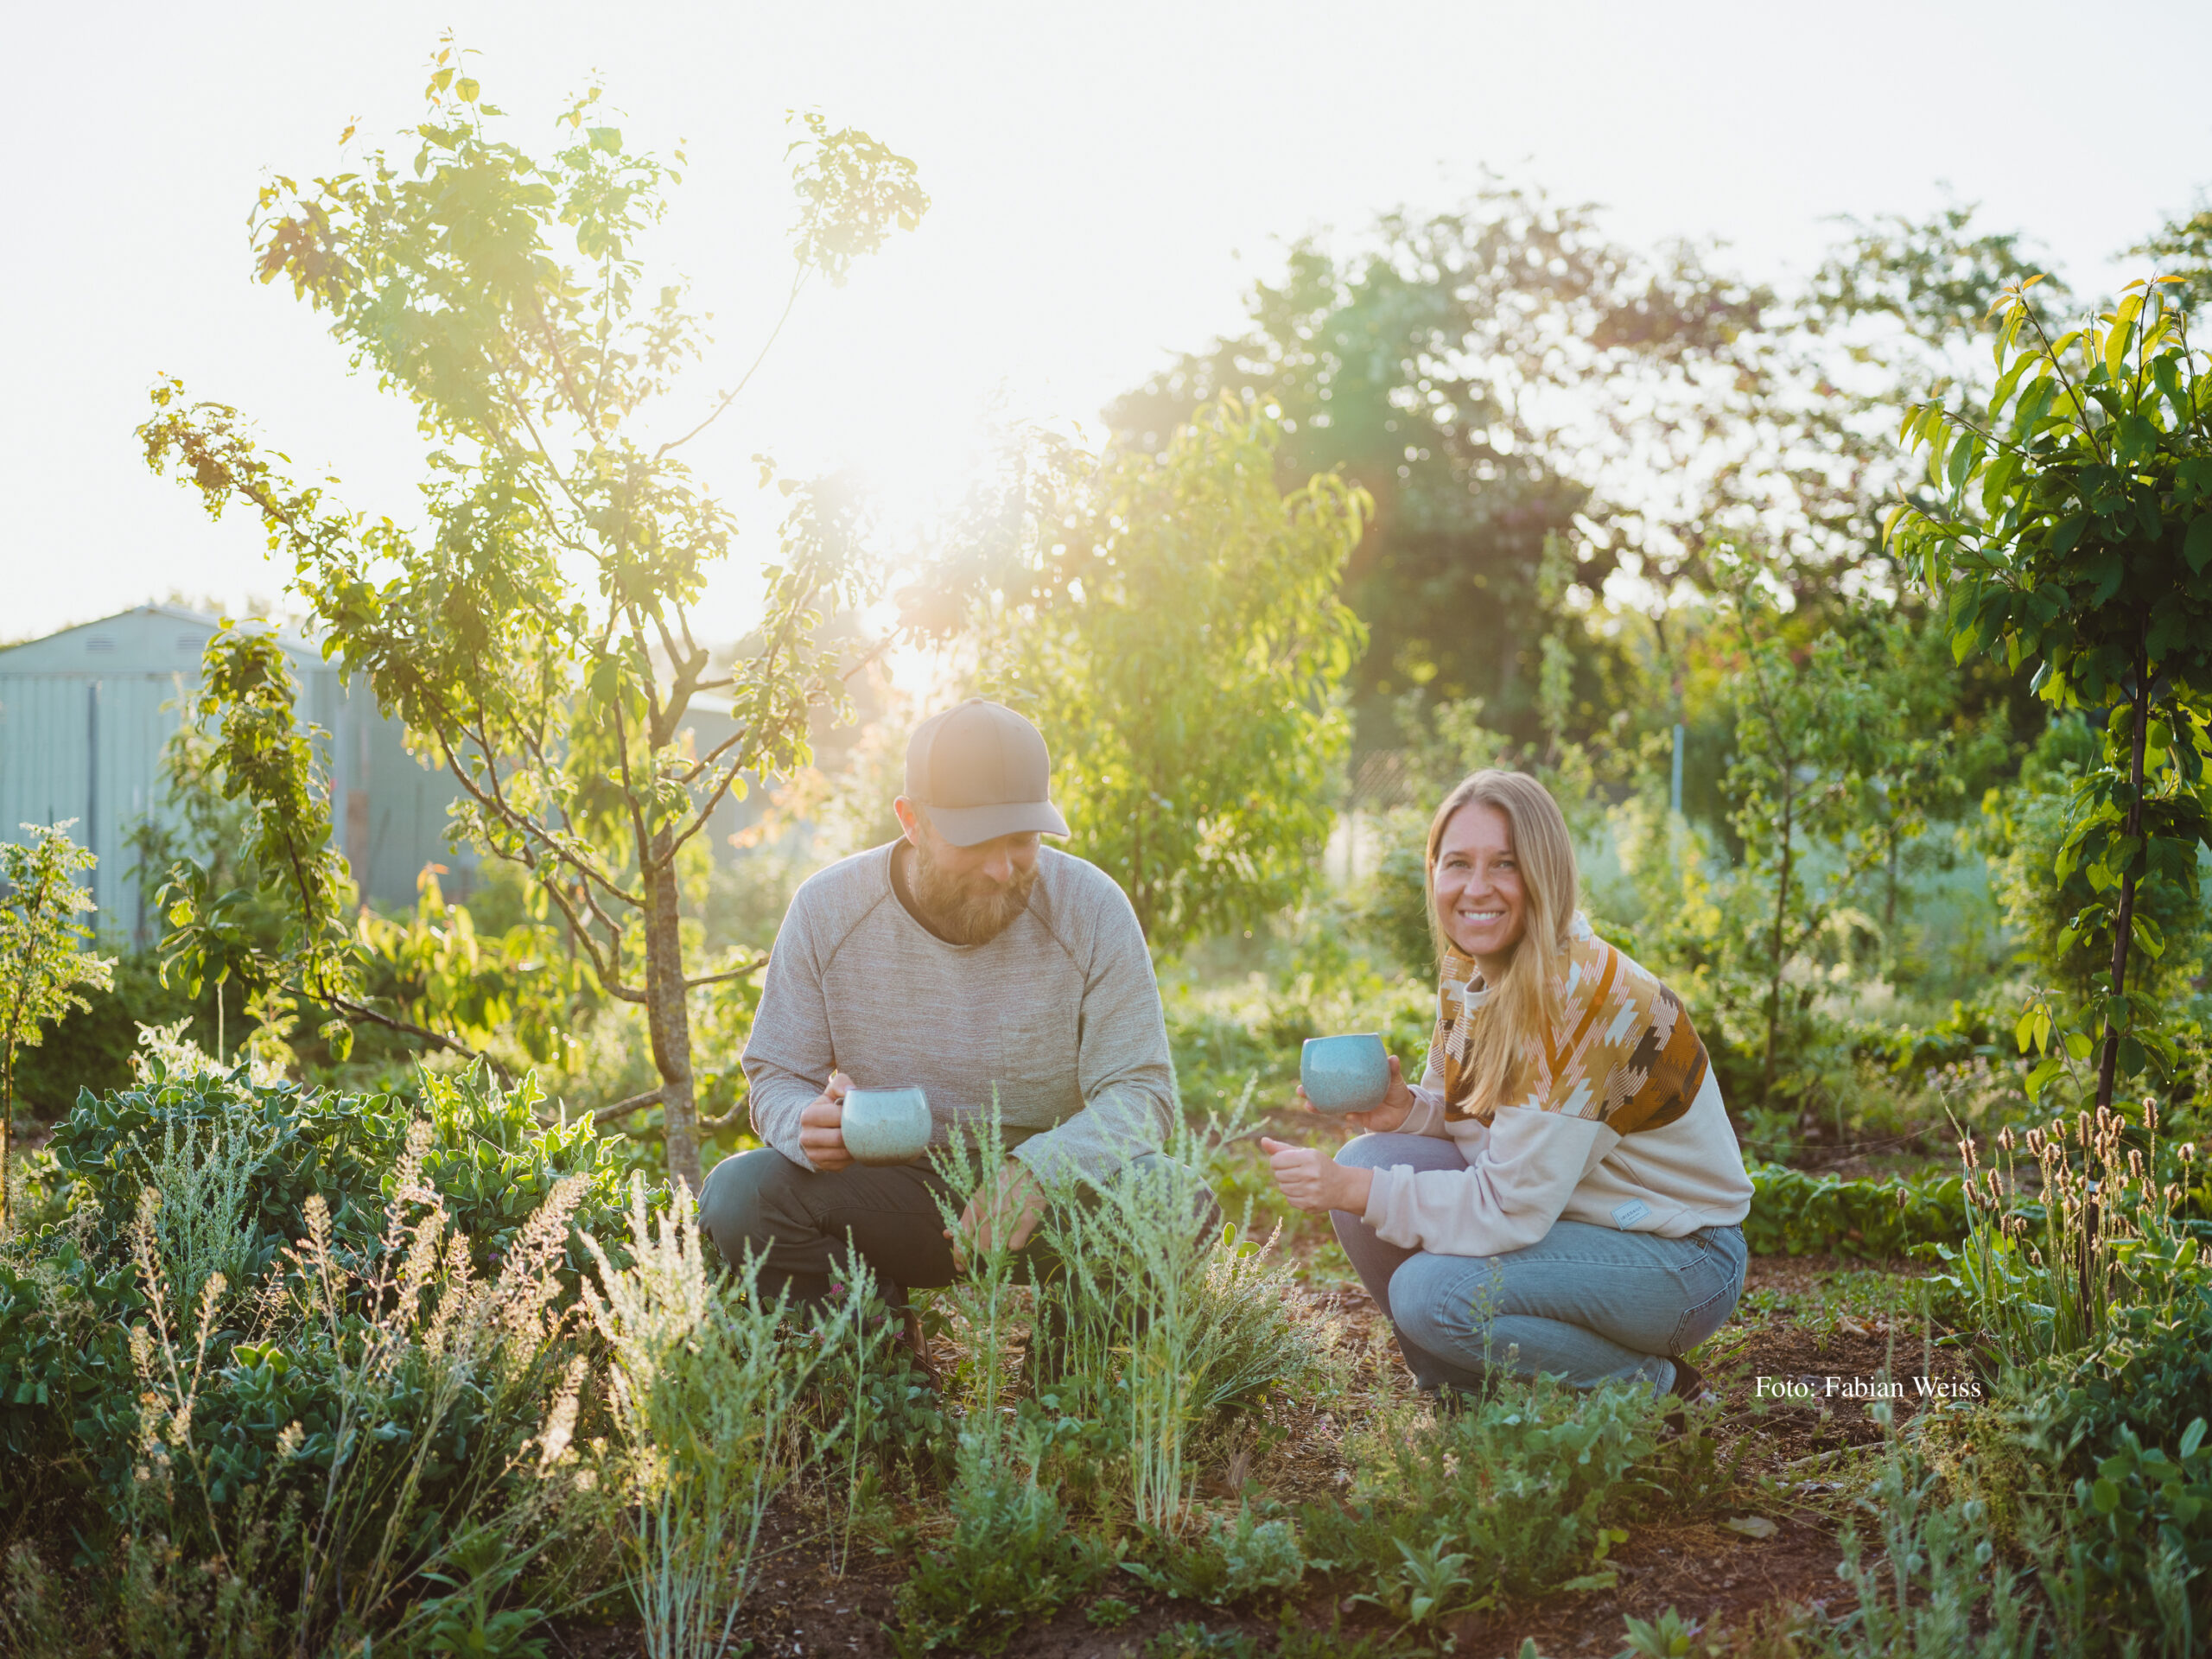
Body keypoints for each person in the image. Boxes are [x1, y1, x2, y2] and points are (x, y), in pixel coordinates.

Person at [701, 696, 1212, 1358]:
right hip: (892, 1197)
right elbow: (775, 1074)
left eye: (1023, 841)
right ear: (912, 822)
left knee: (1175, 1202)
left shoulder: (1092, 910)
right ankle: (883, 1384)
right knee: (740, 1194)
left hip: (1053, 1204)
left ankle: (1065, 1404)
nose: (1003, 869)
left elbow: (1143, 1096)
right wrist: (802, 1121)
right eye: (976, 842)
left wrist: (1039, 1171)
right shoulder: (827, 910)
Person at [1262, 769, 1752, 1408]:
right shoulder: (1473, 963)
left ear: (1544, 873)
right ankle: (1466, 1397)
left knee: (1427, 1289)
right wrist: (1409, 1111)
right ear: (1434, 871)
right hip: (1567, 1212)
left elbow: (1507, 1205)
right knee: (1372, 1156)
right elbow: (1489, 1121)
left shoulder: (1577, 998)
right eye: (1457, 863)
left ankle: (1653, 1391)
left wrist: (1349, 1191)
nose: (1476, 889)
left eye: (1505, 865)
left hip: (1677, 1256)